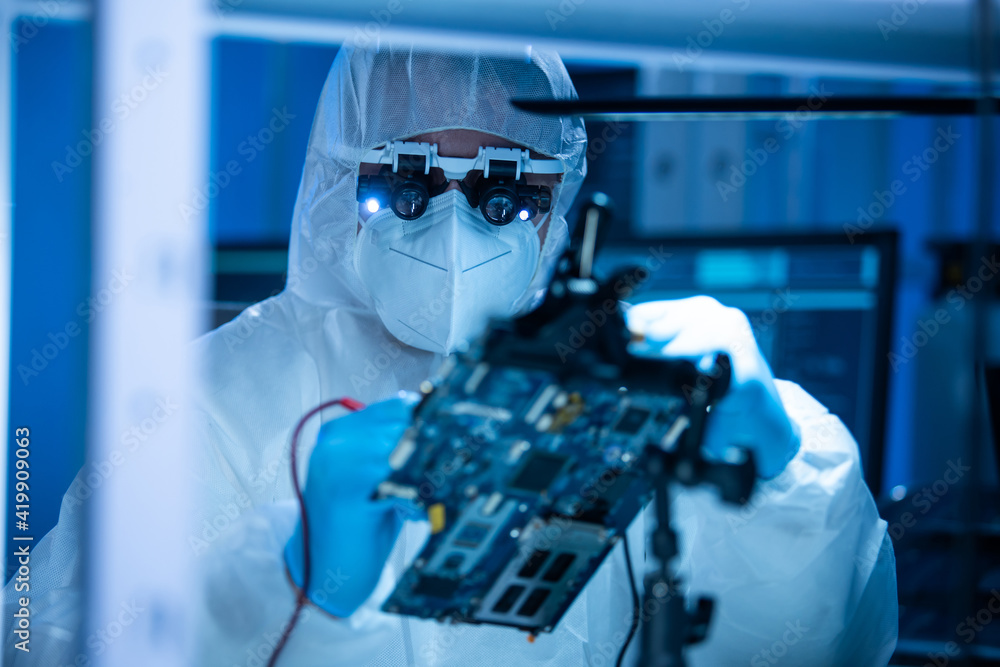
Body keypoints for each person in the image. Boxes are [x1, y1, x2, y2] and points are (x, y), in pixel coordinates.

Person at [4, 44, 898, 666]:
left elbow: (825, 648)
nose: (458, 228)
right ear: (338, 182)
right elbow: (41, 640)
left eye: (507, 191)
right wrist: (288, 584)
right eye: (407, 182)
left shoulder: (611, 400)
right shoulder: (210, 399)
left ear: (560, 203)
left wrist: (784, 484)